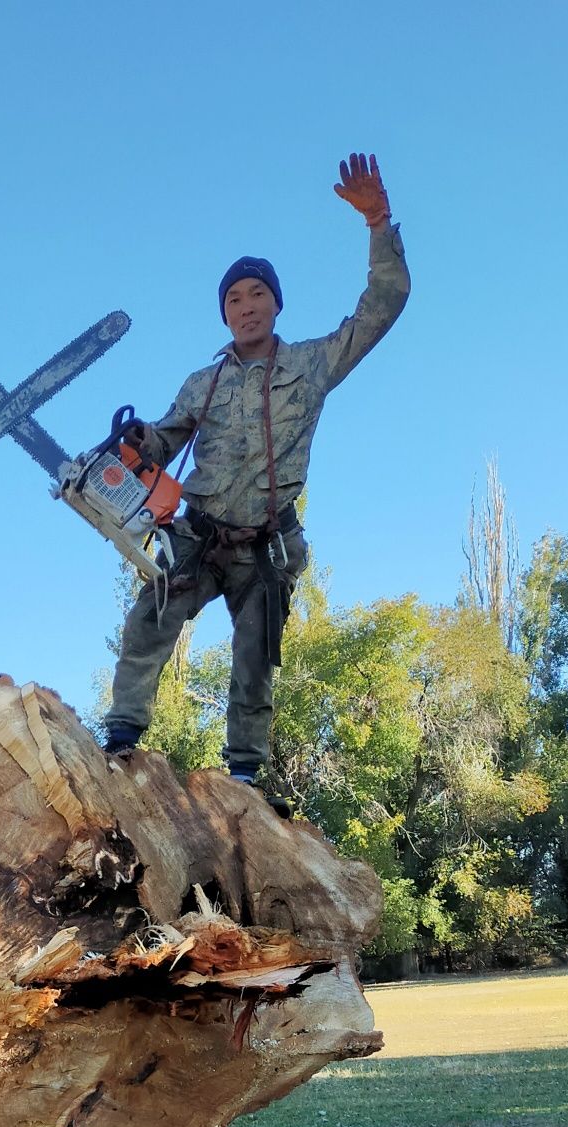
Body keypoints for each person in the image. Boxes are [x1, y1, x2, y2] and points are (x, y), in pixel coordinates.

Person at [103, 154, 411, 804]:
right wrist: (139, 445)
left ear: (276, 303)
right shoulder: (202, 381)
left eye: (257, 295)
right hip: (199, 534)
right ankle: (121, 741)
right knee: (146, 625)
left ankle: (244, 779)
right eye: (234, 299)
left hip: (267, 545)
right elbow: (165, 438)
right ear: (223, 315)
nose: (246, 307)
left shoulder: (313, 364)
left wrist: (378, 223)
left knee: (254, 667)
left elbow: (384, 304)